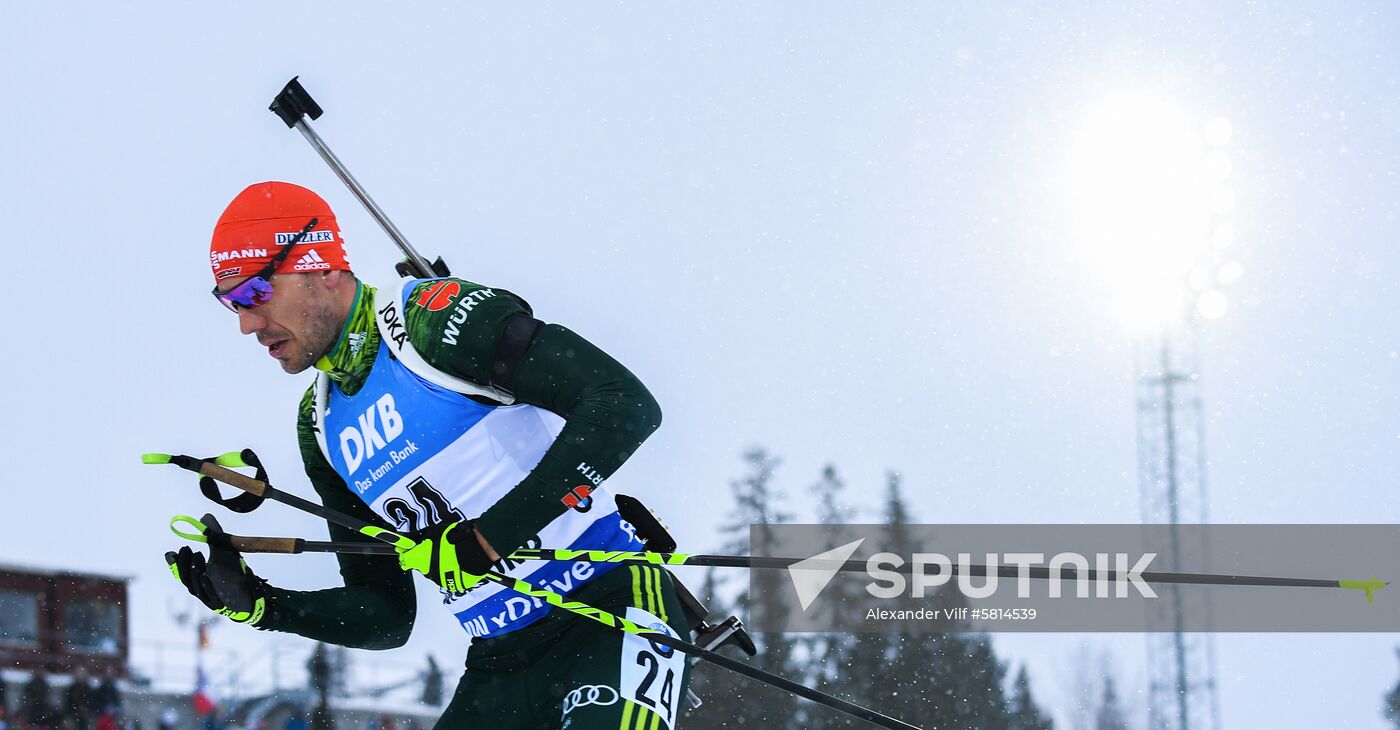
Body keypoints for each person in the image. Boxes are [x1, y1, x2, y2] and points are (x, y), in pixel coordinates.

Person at [166, 182, 689, 729]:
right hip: (498, 664)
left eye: (253, 294)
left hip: (608, 610)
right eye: (229, 302)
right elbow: (387, 613)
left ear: (318, 266)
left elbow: (623, 406)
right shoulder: (320, 427)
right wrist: (264, 605)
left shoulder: (429, 323)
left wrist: (490, 538)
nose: (246, 324)